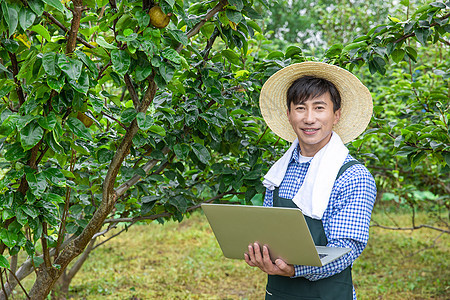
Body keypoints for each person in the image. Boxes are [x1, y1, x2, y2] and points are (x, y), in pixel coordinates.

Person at [244, 62, 377, 299]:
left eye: (319, 108)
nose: (309, 118)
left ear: (336, 115)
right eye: (300, 108)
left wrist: (295, 270)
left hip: (328, 293)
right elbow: (268, 230)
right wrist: (260, 252)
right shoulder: (278, 173)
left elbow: (345, 248)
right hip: (279, 291)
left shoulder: (353, 176)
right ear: (289, 115)